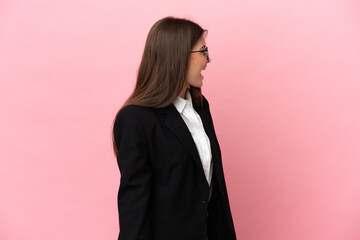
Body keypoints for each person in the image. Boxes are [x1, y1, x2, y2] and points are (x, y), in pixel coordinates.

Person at [112, 16, 236, 240]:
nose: (208, 60)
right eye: (203, 51)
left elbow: (212, 189)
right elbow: (134, 205)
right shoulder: (135, 119)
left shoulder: (200, 107)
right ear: (178, 55)